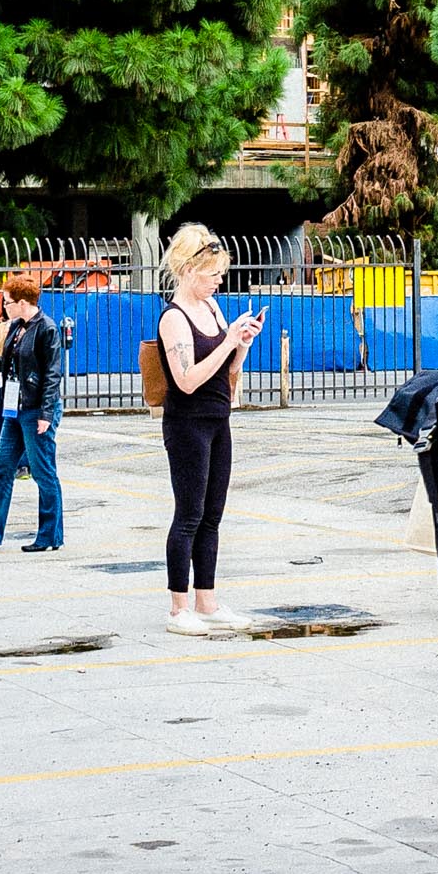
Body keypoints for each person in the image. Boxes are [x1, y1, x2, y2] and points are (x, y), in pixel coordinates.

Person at [157, 223, 263, 635]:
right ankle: (178, 607)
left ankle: (207, 600)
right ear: (188, 270)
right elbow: (186, 379)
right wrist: (225, 342)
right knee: (189, 513)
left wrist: (242, 345)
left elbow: (227, 372)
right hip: (187, 423)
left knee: (213, 515)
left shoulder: (213, 309)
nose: (219, 280)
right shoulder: (174, 318)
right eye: (213, 273)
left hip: (219, 418)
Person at [0, 273, 65, 553]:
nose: (3, 306)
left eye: (7, 302)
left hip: (35, 409)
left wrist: (46, 413)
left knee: (43, 472)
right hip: (14, 408)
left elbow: (53, 375)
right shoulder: (17, 328)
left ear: (22, 302)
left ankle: (50, 535)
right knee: (3, 469)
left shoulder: (47, 329)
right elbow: (6, 365)